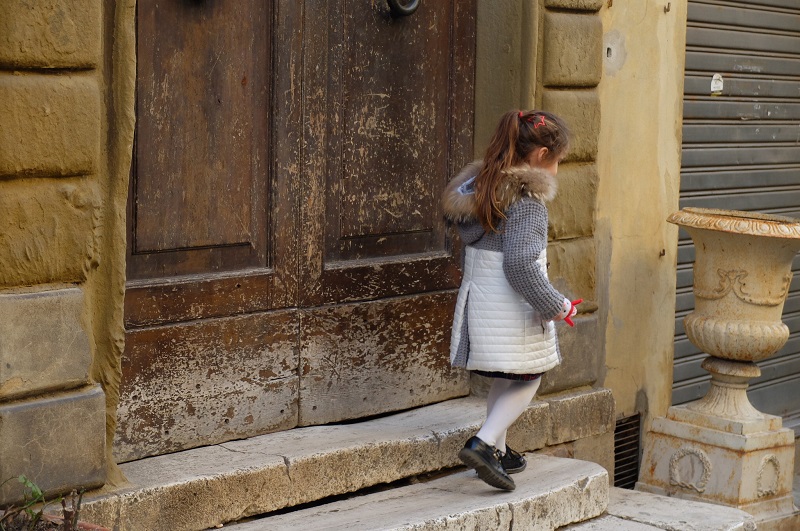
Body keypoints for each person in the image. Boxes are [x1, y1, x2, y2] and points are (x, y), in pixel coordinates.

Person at [442, 109, 579, 491]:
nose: (556, 172)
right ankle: (484, 444)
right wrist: (557, 305)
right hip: (513, 310)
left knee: (506, 376)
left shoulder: (481, 191)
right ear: (539, 157)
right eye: (557, 163)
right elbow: (520, 265)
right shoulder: (527, 203)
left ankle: (501, 450)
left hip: (483, 303)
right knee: (528, 378)